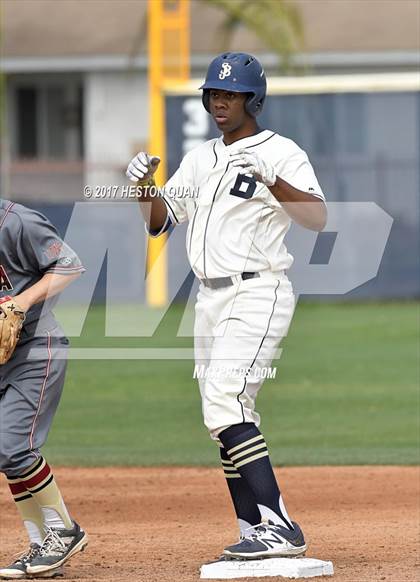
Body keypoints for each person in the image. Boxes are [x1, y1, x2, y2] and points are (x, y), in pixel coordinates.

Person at [126, 52, 327, 559]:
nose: (220, 101)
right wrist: (143, 188)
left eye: (230, 94)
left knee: (225, 401)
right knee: (222, 415)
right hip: (209, 298)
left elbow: (318, 218)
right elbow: (160, 222)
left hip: (257, 290)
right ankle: (253, 527)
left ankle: (281, 526)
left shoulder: (281, 151)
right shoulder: (199, 158)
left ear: (252, 100)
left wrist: (272, 181)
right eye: (214, 93)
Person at [0, 200, 88, 579]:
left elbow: (70, 264)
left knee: (12, 445)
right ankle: (40, 543)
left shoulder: (15, 222)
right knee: (6, 452)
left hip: (36, 350)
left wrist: (23, 300)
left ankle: (65, 532)